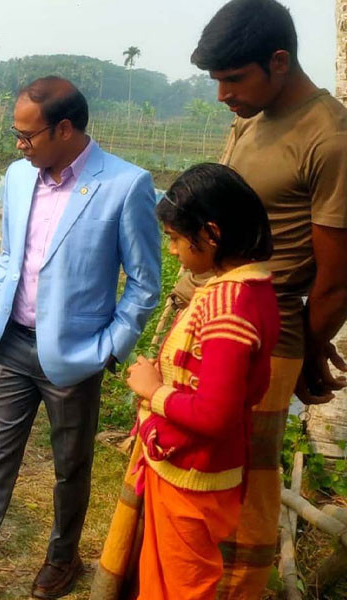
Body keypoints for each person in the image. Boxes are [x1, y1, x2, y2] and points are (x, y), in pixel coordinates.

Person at [0, 77, 160, 600]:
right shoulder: (19, 177)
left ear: (66, 129)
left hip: (77, 355)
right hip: (10, 342)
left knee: (71, 464)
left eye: (27, 137)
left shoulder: (125, 184)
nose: (19, 146)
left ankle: (62, 556)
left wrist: (109, 347)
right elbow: (13, 253)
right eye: (16, 135)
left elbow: (144, 284)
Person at [164, 2, 347, 597]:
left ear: (279, 60)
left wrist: (309, 350)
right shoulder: (252, 115)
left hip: (257, 337)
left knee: (239, 484)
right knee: (184, 463)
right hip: (205, 313)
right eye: (215, 80)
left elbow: (338, 279)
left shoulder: (331, 137)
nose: (221, 94)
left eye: (231, 78)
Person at [102, 164, 280, 600]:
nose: (174, 251)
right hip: (194, 470)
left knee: (181, 586)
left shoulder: (228, 305)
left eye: (177, 239)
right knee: (162, 577)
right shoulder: (251, 288)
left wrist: (153, 390)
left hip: (194, 477)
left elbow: (215, 414)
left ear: (212, 234)